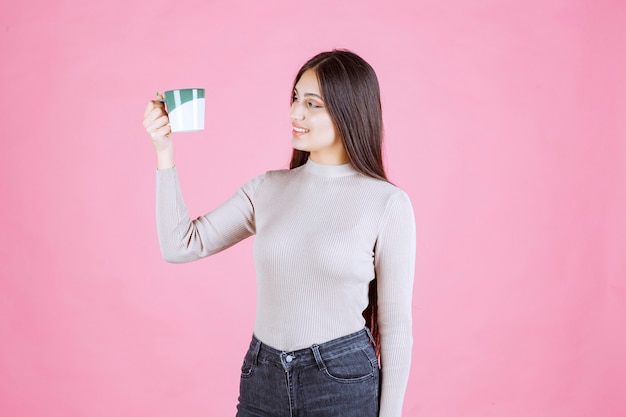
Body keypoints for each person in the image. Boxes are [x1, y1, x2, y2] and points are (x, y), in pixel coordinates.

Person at [143, 49, 416, 417]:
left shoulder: (386, 203)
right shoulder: (267, 190)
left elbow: (395, 326)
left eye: (311, 103)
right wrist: (164, 151)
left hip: (340, 381)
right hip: (263, 377)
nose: (295, 113)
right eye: (294, 99)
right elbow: (180, 246)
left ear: (349, 109)